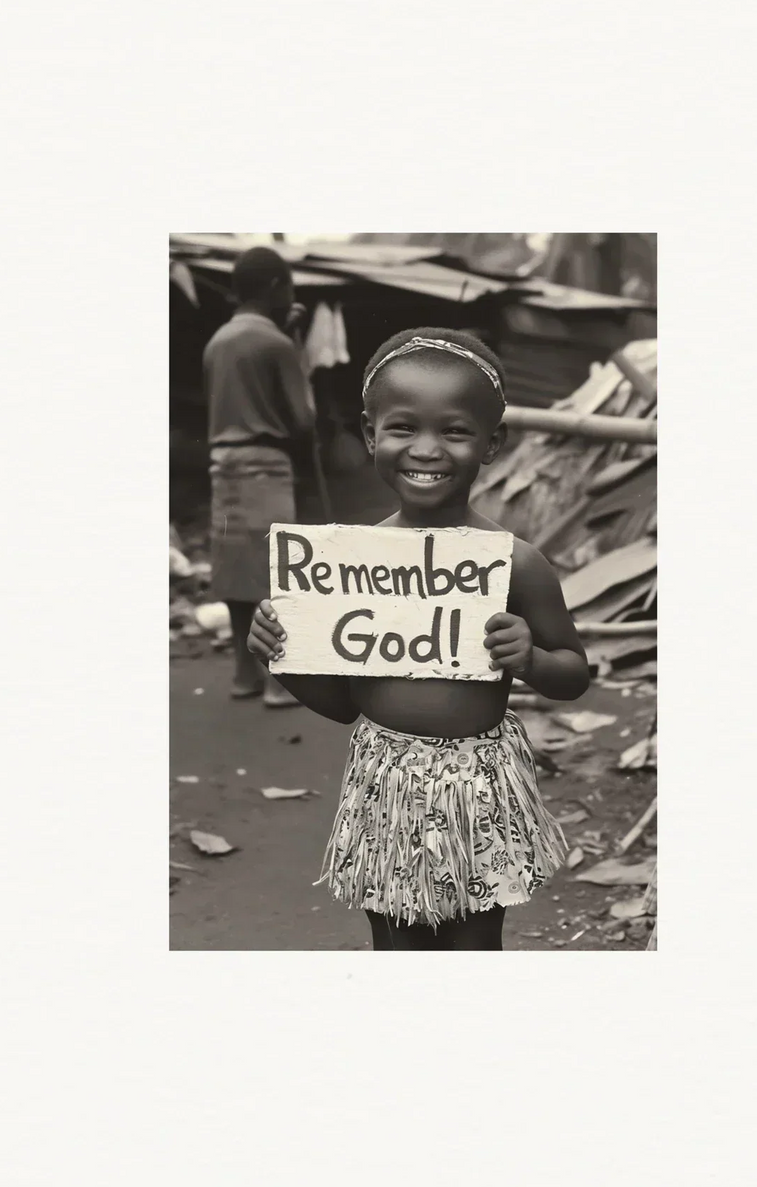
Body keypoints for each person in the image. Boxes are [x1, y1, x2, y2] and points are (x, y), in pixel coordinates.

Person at [246, 328, 591, 949]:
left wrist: (533, 659)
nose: (426, 450)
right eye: (403, 428)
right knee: (397, 945)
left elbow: (575, 673)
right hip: (386, 781)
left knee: (475, 945)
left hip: (478, 785)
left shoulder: (515, 564)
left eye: (454, 431)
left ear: (492, 444)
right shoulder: (347, 568)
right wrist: (283, 659)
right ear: (370, 433)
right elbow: (345, 703)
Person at [204, 246, 314, 707]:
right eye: (288, 285)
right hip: (267, 466)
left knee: (235, 571)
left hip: (223, 468)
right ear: (275, 289)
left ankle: (244, 675)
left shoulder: (218, 341)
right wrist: (294, 342)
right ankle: (278, 681)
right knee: (278, 570)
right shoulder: (276, 343)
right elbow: (303, 419)